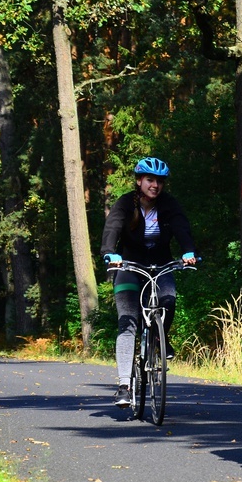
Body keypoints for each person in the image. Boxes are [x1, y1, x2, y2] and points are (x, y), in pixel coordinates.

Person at [101, 157, 198, 407]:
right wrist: (110, 253)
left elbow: (181, 227)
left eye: (159, 181)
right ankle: (124, 385)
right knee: (128, 322)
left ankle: (159, 339)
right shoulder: (125, 203)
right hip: (129, 266)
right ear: (139, 181)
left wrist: (188, 251)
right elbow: (112, 227)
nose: (155, 185)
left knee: (169, 299)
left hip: (160, 264)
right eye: (150, 180)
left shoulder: (168, 204)